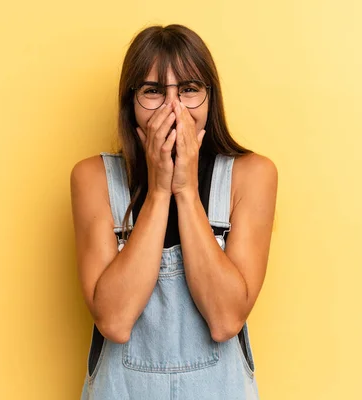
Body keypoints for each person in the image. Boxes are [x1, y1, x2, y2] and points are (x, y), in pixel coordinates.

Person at [70, 24, 278, 400]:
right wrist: (159, 190)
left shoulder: (252, 175)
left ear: (209, 98)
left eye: (189, 90)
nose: (173, 108)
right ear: (130, 102)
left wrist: (184, 190)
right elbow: (114, 321)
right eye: (153, 91)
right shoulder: (93, 178)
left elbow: (226, 319)